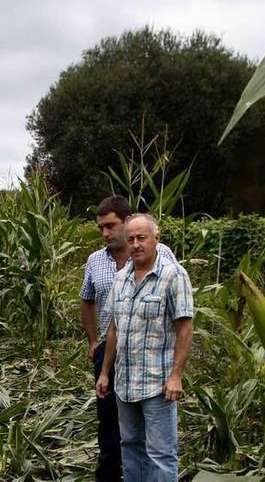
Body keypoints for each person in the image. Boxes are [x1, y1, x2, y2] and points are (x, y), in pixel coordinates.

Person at [79, 196, 177, 481]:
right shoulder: (96, 261)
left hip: (150, 354)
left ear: (127, 220)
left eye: (111, 226)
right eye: (101, 228)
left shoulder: (163, 255)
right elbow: (86, 300)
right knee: (110, 427)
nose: (106, 233)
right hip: (110, 354)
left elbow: (179, 305)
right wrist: (92, 341)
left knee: (153, 428)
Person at [95, 213, 194, 482]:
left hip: (157, 385)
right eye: (131, 240)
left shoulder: (173, 275)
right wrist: (105, 372)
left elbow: (185, 327)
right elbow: (114, 327)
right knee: (130, 447)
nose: (136, 244)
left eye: (142, 238)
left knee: (161, 454)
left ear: (155, 238)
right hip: (125, 384)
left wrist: (176, 375)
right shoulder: (122, 278)